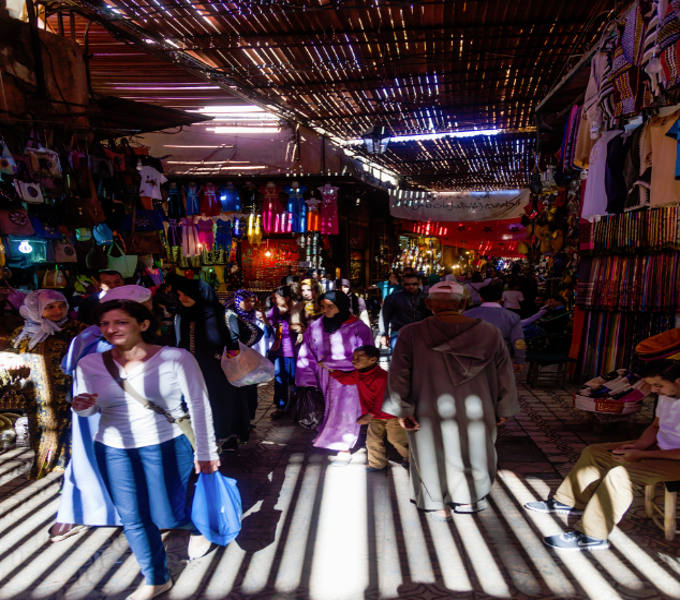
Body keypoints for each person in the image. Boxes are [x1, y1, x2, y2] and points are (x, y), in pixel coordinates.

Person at [72, 300, 219, 600]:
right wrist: (83, 407)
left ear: (144, 324)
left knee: (168, 511)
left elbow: (199, 406)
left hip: (166, 444)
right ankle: (155, 577)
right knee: (133, 517)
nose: (111, 329)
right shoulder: (88, 364)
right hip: (112, 448)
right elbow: (89, 409)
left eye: (121, 322)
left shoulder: (176, 358)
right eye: (104, 324)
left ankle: (198, 524)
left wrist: (206, 451)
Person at [383, 281, 519, 519]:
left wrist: (403, 409)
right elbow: (504, 374)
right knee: (475, 449)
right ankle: (469, 499)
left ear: (428, 305)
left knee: (429, 451)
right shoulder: (489, 333)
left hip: (427, 406)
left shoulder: (411, 334)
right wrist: (503, 407)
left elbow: (399, 374)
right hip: (478, 406)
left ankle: (435, 502)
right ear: (464, 304)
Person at [525, 359, 680, 551]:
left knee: (620, 476)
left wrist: (640, 454)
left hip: (674, 461)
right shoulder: (668, 396)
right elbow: (656, 426)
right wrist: (637, 446)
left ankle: (592, 536)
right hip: (660, 449)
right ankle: (569, 501)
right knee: (595, 452)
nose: (654, 391)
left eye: (658, 385)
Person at [51, 286, 155, 541]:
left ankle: (79, 513)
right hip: (120, 417)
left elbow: (67, 368)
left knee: (88, 461)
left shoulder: (84, 337)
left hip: (88, 418)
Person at [8, 290, 85, 479]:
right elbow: (13, 355)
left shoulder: (77, 330)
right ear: (36, 309)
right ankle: (44, 466)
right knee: (40, 428)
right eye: (49, 307)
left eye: (62, 305)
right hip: (34, 391)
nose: (57, 310)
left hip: (66, 390)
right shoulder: (22, 333)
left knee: (66, 427)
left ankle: (65, 469)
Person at [296, 291, 374, 454]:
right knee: (326, 409)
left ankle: (343, 444)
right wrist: (306, 380)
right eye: (323, 307)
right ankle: (329, 437)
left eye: (330, 307)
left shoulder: (359, 328)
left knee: (346, 412)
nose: (325, 311)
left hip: (349, 379)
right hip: (322, 376)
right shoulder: (315, 326)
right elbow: (307, 352)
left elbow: (367, 355)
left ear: (342, 306)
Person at [171, 275, 240, 447]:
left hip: (215, 370)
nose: (182, 298)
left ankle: (222, 436)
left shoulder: (219, 314)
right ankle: (197, 439)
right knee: (192, 402)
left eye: (186, 294)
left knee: (218, 402)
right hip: (187, 369)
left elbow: (234, 341)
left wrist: (221, 356)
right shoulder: (181, 316)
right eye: (179, 295)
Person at [322, 345, 408, 471]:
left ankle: (410, 458)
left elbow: (381, 400)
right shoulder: (359, 374)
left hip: (391, 415)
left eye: (359, 357)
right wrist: (332, 371)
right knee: (372, 441)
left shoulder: (382, 377)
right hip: (376, 416)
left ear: (373, 360)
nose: (354, 360)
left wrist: (369, 415)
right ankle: (377, 464)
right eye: (354, 357)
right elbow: (347, 379)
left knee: (397, 440)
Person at [224, 289, 267, 433]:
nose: (250, 304)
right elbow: (255, 333)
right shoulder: (232, 315)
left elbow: (258, 332)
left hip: (245, 358)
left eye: (251, 301)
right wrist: (243, 346)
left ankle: (246, 421)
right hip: (236, 359)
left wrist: (245, 346)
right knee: (242, 389)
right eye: (246, 300)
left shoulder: (248, 315)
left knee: (247, 388)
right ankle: (242, 422)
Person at [464, 280, 526, 370]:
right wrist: (520, 360)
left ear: (481, 298)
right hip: (500, 359)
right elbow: (518, 341)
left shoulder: (467, 315)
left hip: (471, 360)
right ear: (501, 298)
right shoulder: (513, 317)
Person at [267, 286, 305, 416]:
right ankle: (281, 406)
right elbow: (270, 324)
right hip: (280, 351)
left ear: (286, 298)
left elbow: (305, 327)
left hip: (296, 351)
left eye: (276, 298)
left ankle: (297, 406)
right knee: (280, 378)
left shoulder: (298, 309)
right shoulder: (274, 311)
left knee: (295, 380)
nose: (273, 300)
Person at [379, 272, 430, 350]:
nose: (411, 286)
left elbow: (431, 317)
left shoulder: (426, 298)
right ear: (403, 284)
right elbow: (384, 316)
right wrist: (384, 334)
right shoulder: (393, 298)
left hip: (420, 334)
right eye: (407, 284)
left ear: (419, 283)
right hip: (399, 333)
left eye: (414, 284)